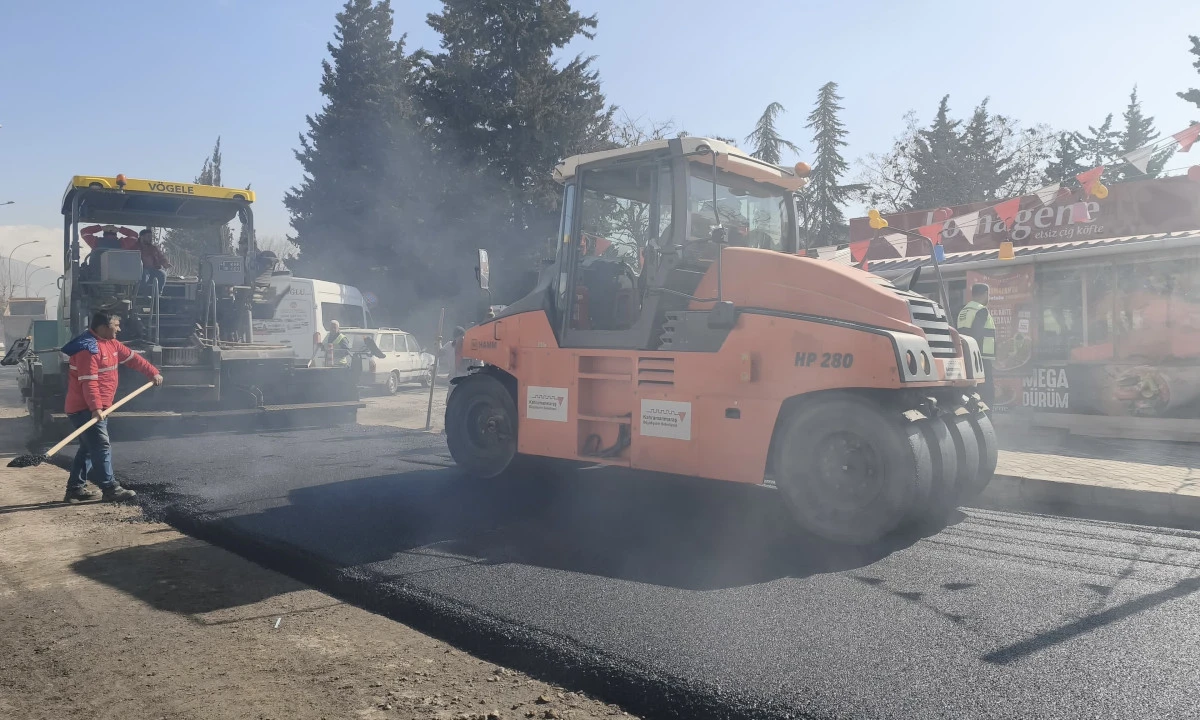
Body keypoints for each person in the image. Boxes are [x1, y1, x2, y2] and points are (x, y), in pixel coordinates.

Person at [61, 311, 164, 503]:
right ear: (104, 326)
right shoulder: (88, 349)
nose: (120, 329)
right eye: (116, 325)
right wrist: (96, 408)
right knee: (101, 446)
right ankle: (110, 488)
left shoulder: (111, 344)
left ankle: (75, 489)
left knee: (87, 448)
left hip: (96, 407)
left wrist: (153, 372)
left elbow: (133, 358)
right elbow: (89, 383)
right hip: (84, 408)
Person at [957, 282, 996, 406]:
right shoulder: (981, 310)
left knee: (973, 392)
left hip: (967, 358)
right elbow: (976, 334)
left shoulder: (963, 311)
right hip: (981, 359)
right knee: (987, 393)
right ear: (985, 294)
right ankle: (987, 421)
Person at [135, 228, 172, 296]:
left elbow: (161, 257)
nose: (150, 238)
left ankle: (158, 294)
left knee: (162, 274)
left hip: (153, 269)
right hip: (140, 270)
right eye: (148, 236)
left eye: (151, 237)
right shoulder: (136, 247)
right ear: (142, 237)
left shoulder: (154, 248)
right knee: (144, 275)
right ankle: (141, 295)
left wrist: (165, 263)